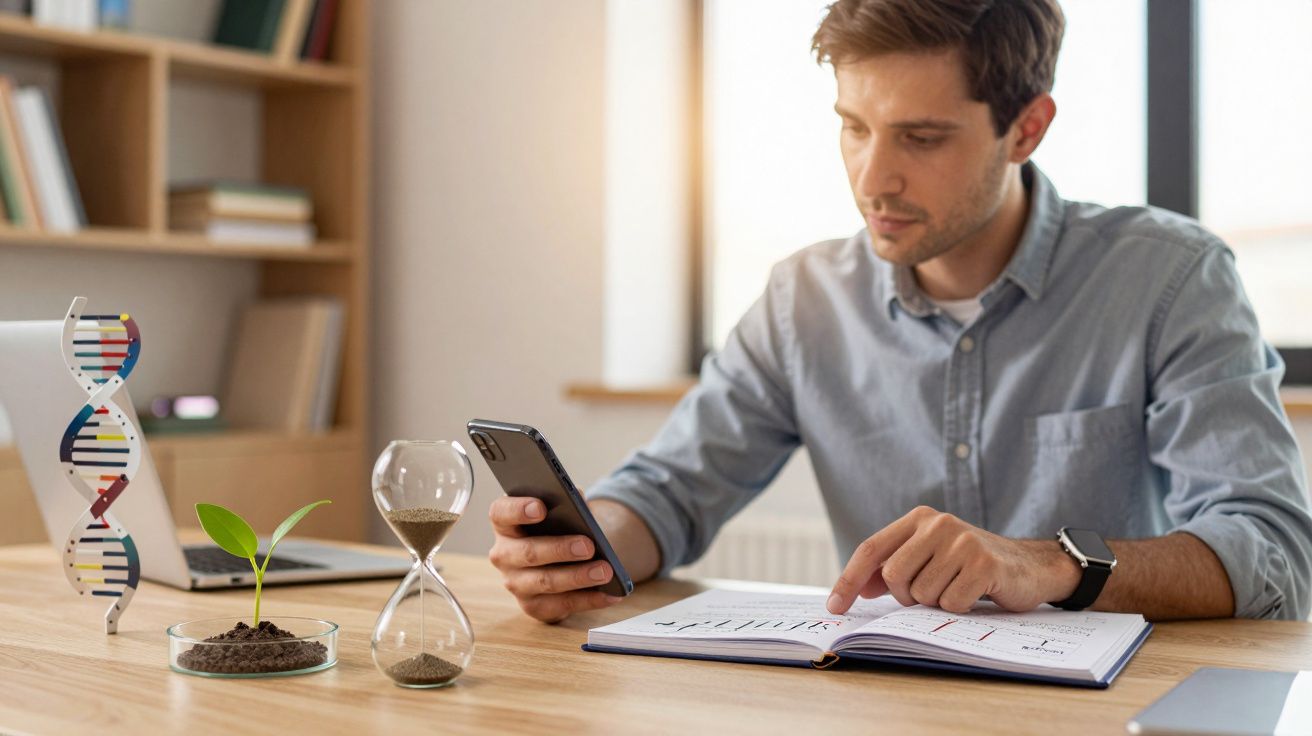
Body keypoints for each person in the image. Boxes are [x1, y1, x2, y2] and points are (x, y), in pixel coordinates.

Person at [489, 0, 1312, 624]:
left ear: (1026, 129)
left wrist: (1050, 565)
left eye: (920, 139)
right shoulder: (803, 300)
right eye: (853, 127)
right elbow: (667, 492)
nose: (872, 178)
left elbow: (1276, 553)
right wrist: (579, 551)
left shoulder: (1170, 278)